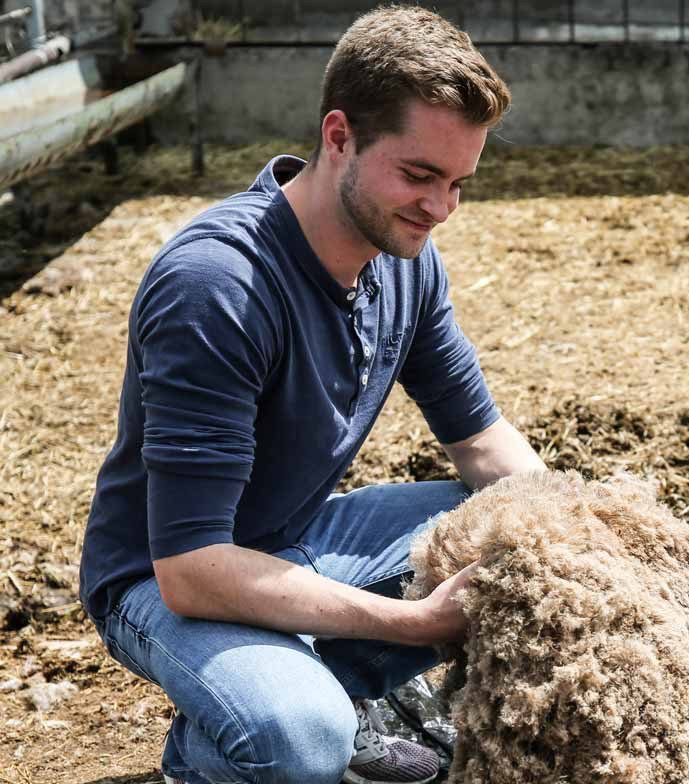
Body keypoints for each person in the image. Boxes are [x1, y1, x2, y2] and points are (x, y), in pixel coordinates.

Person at [77, 7, 546, 784]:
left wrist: (588, 543)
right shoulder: (219, 287)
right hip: (161, 579)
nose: (440, 209)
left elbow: (482, 442)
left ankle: (314, 677)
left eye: (460, 183)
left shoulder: (406, 261)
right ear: (338, 137)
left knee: (515, 538)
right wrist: (414, 622)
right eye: (420, 175)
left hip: (291, 536)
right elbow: (191, 568)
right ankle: (215, 752)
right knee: (300, 739)